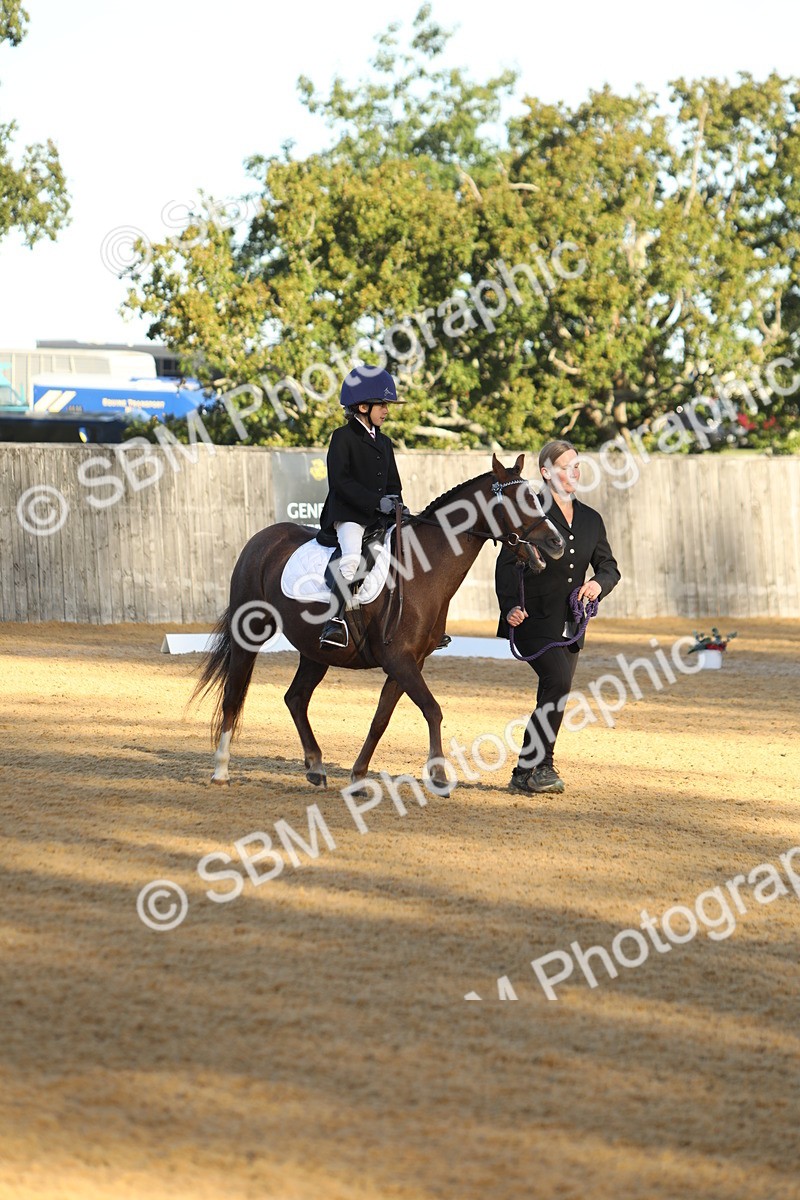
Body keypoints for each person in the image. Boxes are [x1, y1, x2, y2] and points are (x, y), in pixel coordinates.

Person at [495, 439, 620, 794]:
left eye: (577, 466)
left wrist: (597, 584)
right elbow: (505, 566)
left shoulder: (591, 520)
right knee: (559, 682)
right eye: (566, 467)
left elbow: (609, 568)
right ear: (546, 473)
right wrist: (510, 607)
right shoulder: (528, 514)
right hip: (532, 619)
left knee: (555, 693)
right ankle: (535, 768)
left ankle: (533, 770)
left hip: (571, 623)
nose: (574, 472)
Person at [318, 364, 406, 648]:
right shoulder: (342, 437)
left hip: (381, 515)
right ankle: (333, 621)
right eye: (383, 405)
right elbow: (340, 482)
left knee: (410, 550)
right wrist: (375, 502)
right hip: (350, 514)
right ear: (363, 406)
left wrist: (396, 504)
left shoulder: (385, 442)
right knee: (352, 559)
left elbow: (393, 483)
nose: (387, 411)